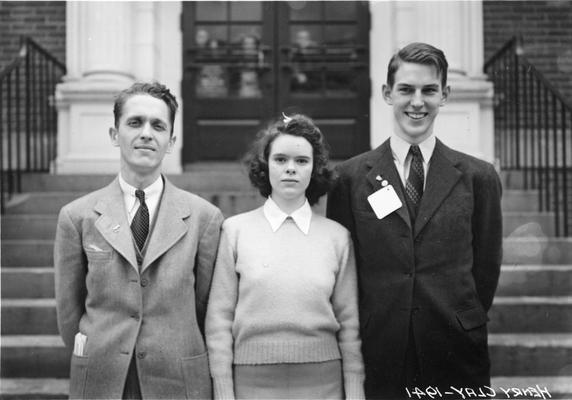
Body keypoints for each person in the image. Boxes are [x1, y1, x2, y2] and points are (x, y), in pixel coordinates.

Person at [326, 42, 503, 399]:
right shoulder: (349, 177)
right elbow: (345, 269)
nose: (417, 102)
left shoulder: (478, 177)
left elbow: (486, 267)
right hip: (381, 346)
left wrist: (457, 316)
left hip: (454, 345)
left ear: (445, 95)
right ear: (388, 94)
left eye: (429, 90)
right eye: (406, 89)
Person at [54, 81, 224, 399]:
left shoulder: (205, 217)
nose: (146, 133)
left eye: (158, 125)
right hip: (103, 375)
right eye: (135, 122)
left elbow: (205, 304)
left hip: (177, 376)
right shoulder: (77, 216)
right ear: (114, 135)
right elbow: (69, 309)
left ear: (171, 140)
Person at [205, 114, 365, 400]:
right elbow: (219, 321)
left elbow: (350, 324)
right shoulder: (235, 231)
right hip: (250, 382)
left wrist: (354, 392)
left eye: (301, 161)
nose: (290, 168)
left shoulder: (336, 237)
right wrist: (223, 391)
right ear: (265, 166)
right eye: (280, 159)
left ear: (315, 168)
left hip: (323, 381)